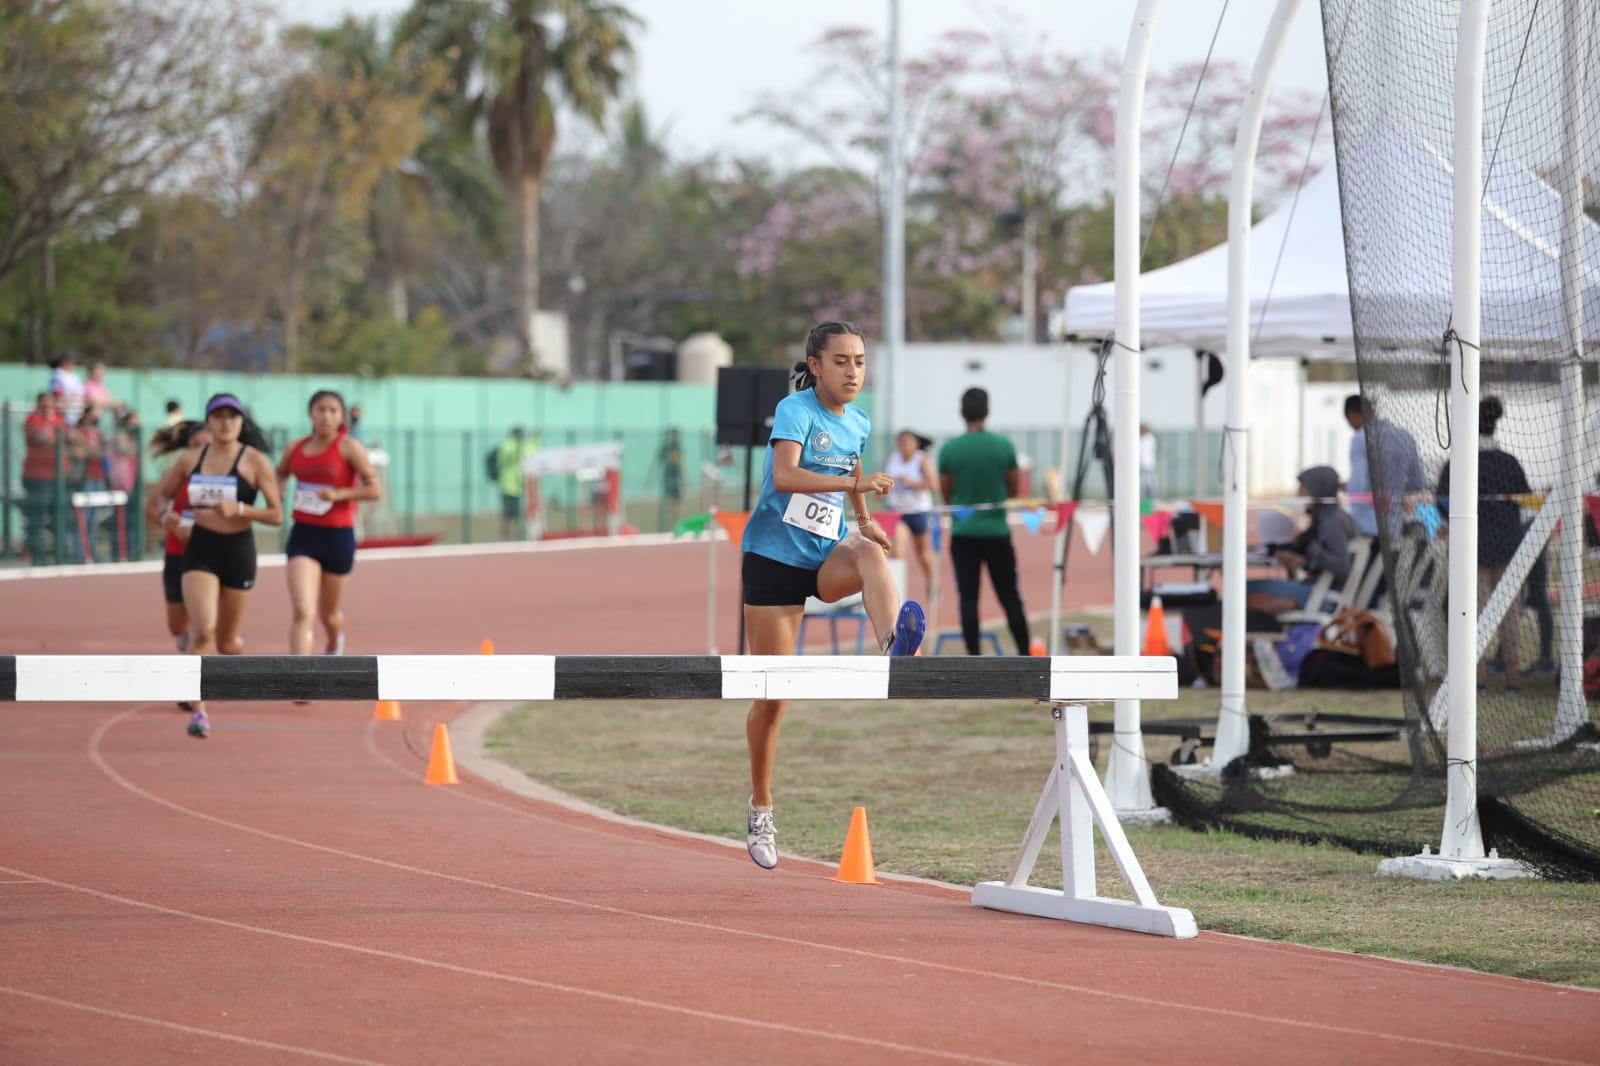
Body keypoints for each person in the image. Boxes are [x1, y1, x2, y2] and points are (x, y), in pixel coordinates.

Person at [739, 321, 925, 869]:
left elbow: (854, 464)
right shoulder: (796, 409)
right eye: (841, 361)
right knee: (774, 698)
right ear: (816, 365)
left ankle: (895, 646)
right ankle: (761, 806)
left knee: (872, 557)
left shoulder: (860, 421)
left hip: (823, 558)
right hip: (773, 562)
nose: (852, 371)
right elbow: (787, 476)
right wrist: (853, 490)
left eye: (860, 361)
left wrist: (864, 521)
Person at [151, 393, 282, 739]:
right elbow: (163, 496)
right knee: (202, 630)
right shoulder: (191, 459)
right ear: (208, 421)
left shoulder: (254, 461)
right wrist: (168, 516)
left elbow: (276, 514)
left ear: (241, 422)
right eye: (219, 416)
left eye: (232, 417)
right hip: (200, 550)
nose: (226, 423)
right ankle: (199, 713)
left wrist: (240, 509)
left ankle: (234, 646)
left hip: (238, 552)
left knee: (225, 642)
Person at [277, 390, 382, 657]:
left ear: (341, 416)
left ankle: (335, 641)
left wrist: (340, 494)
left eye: (333, 410)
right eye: (320, 409)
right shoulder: (295, 448)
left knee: (329, 613)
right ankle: (301, 679)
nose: (326, 416)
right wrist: (276, 495)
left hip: (338, 537)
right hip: (304, 535)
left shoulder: (349, 447)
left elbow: (374, 489)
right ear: (310, 414)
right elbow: (280, 474)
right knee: (303, 610)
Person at [1436, 396, 1532, 689]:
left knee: (1472, 614)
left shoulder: (1458, 462)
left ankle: (1477, 675)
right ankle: (1513, 676)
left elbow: (1440, 503)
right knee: (1510, 613)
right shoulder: (1509, 462)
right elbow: (1526, 503)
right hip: (1507, 545)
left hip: (1471, 549)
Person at [938, 388, 1031, 655]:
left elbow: (947, 494)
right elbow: (1012, 489)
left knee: (968, 597)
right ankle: (1025, 654)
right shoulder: (1004, 446)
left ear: (961, 413)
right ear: (987, 411)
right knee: (1009, 595)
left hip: (963, 533)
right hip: (996, 532)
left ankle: (974, 659)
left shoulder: (950, 449)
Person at [145, 421, 211, 682]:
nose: (200, 452)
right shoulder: (176, 473)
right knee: (177, 626)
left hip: (209, 556)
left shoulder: (227, 476)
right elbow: (152, 508)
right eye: (195, 446)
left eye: (207, 446)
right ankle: (190, 646)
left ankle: (191, 682)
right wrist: (167, 521)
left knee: (200, 622)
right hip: (177, 552)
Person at [1248, 465, 1358, 613]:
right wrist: (1302, 560)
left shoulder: (1332, 523)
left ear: (1318, 490)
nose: (1299, 495)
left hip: (1327, 598)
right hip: (1322, 591)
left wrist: (1311, 551)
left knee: (1247, 589)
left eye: (1303, 489)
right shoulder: (1329, 517)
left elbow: (1341, 566)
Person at [1344, 394, 1426, 540]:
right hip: (1395, 524)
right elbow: (1417, 482)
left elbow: (1359, 484)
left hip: (1366, 523)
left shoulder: (1360, 439)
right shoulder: (1404, 436)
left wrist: (1345, 490)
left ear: (1353, 415)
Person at [886, 429, 938, 601]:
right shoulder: (893, 459)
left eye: (908, 442)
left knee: (922, 553)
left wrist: (913, 483)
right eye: (901, 442)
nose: (904, 445)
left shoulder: (922, 459)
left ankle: (932, 581)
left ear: (915, 444)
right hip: (898, 512)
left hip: (918, 511)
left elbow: (933, 484)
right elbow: (885, 481)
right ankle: (896, 592)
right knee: (897, 552)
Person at [21, 392, 64, 565]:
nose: (47, 405)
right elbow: (42, 438)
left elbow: (67, 439)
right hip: (37, 476)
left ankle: (59, 554)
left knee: (59, 515)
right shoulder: (33, 419)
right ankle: (36, 554)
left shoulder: (58, 420)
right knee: (36, 516)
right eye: (44, 402)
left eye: (50, 402)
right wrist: (58, 440)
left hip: (58, 476)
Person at [69, 405, 108, 562]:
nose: (98, 416)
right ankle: (79, 551)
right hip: (85, 477)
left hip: (99, 476)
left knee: (94, 516)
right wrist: (93, 450)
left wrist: (94, 450)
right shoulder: (78, 432)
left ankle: (91, 549)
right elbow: (84, 450)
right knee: (82, 516)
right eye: (95, 412)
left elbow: (102, 451)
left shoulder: (99, 433)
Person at [495, 427, 536, 540]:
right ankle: (505, 537)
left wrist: (536, 438)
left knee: (515, 514)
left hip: (517, 486)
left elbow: (533, 450)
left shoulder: (523, 446)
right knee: (507, 514)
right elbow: (502, 459)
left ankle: (512, 537)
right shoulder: (508, 445)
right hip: (507, 485)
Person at [49, 353, 85, 423]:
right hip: (66, 411)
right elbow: (57, 393)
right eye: (70, 362)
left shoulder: (74, 376)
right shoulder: (58, 375)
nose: (73, 364)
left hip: (77, 411)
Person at [1139, 423, 1158, 502]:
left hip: (1148, 466)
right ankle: (1144, 505)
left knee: (1150, 487)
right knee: (1142, 487)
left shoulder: (1149, 438)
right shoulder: (1141, 439)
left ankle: (1152, 504)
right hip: (1142, 466)